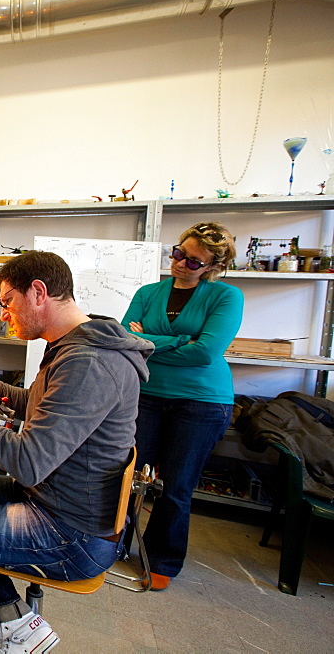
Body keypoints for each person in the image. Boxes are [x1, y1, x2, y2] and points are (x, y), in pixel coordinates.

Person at [0, 250, 153, 653]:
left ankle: (0, 644)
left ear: (39, 292)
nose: (5, 313)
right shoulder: (74, 344)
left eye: (8, 301)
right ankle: (15, 619)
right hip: (57, 501)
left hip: (71, 533)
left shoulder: (89, 361)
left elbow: (27, 463)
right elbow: (39, 405)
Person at [122, 221, 242, 591]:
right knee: (126, 472)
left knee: (176, 486)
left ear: (211, 267)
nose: (180, 264)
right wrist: (179, 341)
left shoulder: (226, 297)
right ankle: (109, 544)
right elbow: (127, 338)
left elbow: (207, 352)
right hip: (148, 395)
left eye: (193, 262)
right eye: (178, 254)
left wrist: (151, 343)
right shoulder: (148, 291)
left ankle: (162, 560)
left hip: (202, 402)